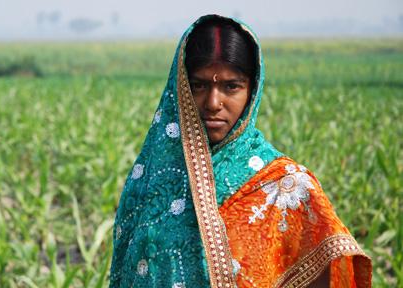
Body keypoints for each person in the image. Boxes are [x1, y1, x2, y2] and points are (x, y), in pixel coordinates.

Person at [109, 14, 372, 288]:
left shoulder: (287, 188)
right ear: (181, 88)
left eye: (231, 86)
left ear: (252, 90)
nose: (213, 103)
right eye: (199, 85)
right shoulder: (152, 181)